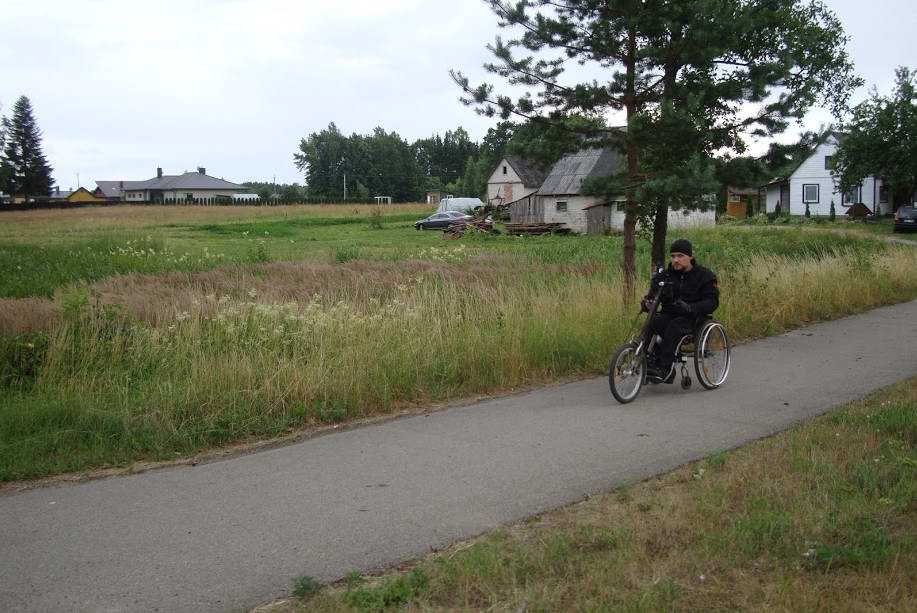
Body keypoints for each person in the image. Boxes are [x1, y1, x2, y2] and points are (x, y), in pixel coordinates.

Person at [640, 238, 719, 382]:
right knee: (653, 322)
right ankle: (644, 362)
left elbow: (712, 302)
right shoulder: (665, 276)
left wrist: (691, 307)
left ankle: (665, 369)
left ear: (690, 257)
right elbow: (652, 297)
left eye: (680, 256)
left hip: (693, 318)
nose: (676, 260)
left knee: (674, 326)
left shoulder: (704, 276)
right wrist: (647, 303)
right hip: (669, 313)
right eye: (673, 256)